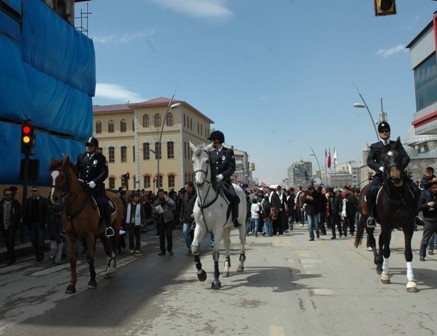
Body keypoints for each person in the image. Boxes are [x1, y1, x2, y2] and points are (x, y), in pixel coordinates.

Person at [365, 121, 415, 228]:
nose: (384, 133)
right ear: (379, 133)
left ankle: (414, 215)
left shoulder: (395, 144)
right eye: (382, 131)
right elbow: (370, 161)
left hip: (397, 174)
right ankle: (372, 216)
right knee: (370, 191)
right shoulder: (375, 146)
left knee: (415, 189)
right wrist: (380, 167)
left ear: (389, 132)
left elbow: (406, 157)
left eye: (386, 131)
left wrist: (398, 169)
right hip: (381, 175)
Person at [75, 136, 114, 237]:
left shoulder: (101, 158)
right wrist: (77, 179)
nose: (88, 147)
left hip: (96, 188)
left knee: (105, 203)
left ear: (95, 147)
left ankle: (108, 227)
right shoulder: (80, 157)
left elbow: (104, 172)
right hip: (83, 187)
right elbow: (76, 170)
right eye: (87, 145)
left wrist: (95, 182)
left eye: (91, 145)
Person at [207, 130, 241, 228]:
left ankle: (235, 219)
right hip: (213, 182)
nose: (211, 143)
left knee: (234, 197)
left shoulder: (228, 152)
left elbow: (232, 168)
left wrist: (222, 175)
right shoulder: (211, 153)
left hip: (225, 182)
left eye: (212, 141)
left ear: (217, 141)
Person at [23, 186, 49, 262]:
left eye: (35, 191)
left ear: (38, 192)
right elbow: (26, 212)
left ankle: (40, 255)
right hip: (32, 223)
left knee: (41, 240)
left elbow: (46, 212)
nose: (33, 192)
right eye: (32, 191)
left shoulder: (44, 200)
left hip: (40, 223)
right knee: (32, 239)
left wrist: (46, 222)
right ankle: (38, 250)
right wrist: (25, 222)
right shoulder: (28, 201)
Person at [0, 188, 22, 265]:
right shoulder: (1, 204)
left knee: (10, 242)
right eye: (7, 195)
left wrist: (17, 225)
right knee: (7, 243)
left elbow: (20, 215)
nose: (9, 196)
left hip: (12, 227)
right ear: (4, 195)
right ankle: (11, 257)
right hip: (3, 226)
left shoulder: (16, 203)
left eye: (10, 195)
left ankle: (11, 259)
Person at [153, 188, 176, 256]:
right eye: (159, 194)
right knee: (161, 236)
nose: (161, 196)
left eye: (162, 194)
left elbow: (173, 205)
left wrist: (166, 199)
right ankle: (162, 250)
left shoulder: (168, 200)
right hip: (160, 220)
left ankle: (170, 249)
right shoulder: (156, 202)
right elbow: (153, 210)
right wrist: (155, 212)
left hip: (168, 220)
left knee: (169, 235)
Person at [418, 181, 437, 261]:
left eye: (436, 188)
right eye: (433, 188)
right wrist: (428, 205)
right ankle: (422, 255)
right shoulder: (424, 196)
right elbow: (419, 207)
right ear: (429, 188)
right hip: (429, 221)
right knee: (426, 239)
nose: (435, 189)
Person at [179, 182, 196, 256]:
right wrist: (181, 216)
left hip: (195, 218)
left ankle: (195, 248)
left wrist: (195, 213)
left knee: (195, 234)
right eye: (185, 187)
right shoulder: (185, 194)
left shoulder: (196, 195)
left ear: (191, 187)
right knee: (185, 232)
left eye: (187, 187)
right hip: (186, 218)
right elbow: (183, 206)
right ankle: (190, 247)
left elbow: (199, 205)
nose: (185, 189)